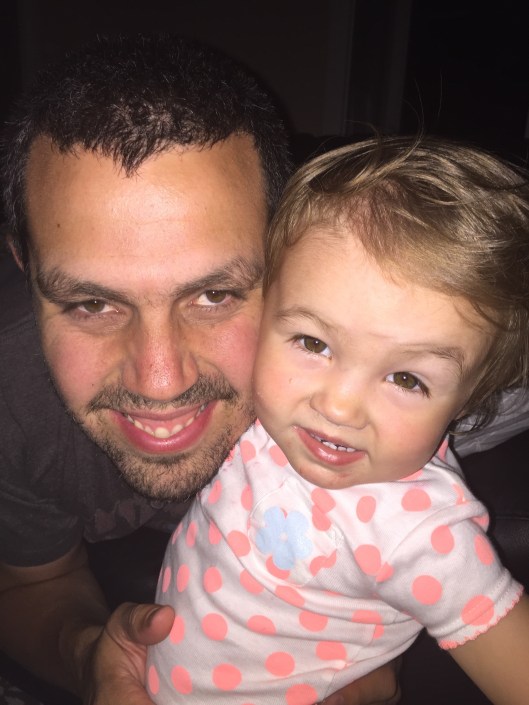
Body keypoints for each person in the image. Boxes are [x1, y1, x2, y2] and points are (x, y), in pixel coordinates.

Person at [0, 34, 402, 705]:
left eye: (214, 295)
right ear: (26, 266)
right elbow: (34, 579)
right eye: (92, 304)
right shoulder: (10, 395)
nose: (161, 383)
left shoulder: (374, 380)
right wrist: (90, 657)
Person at [146, 136, 529, 705]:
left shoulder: (422, 535)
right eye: (313, 343)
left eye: (407, 379)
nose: (340, 407)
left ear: (468, 403)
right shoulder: (258, 405)